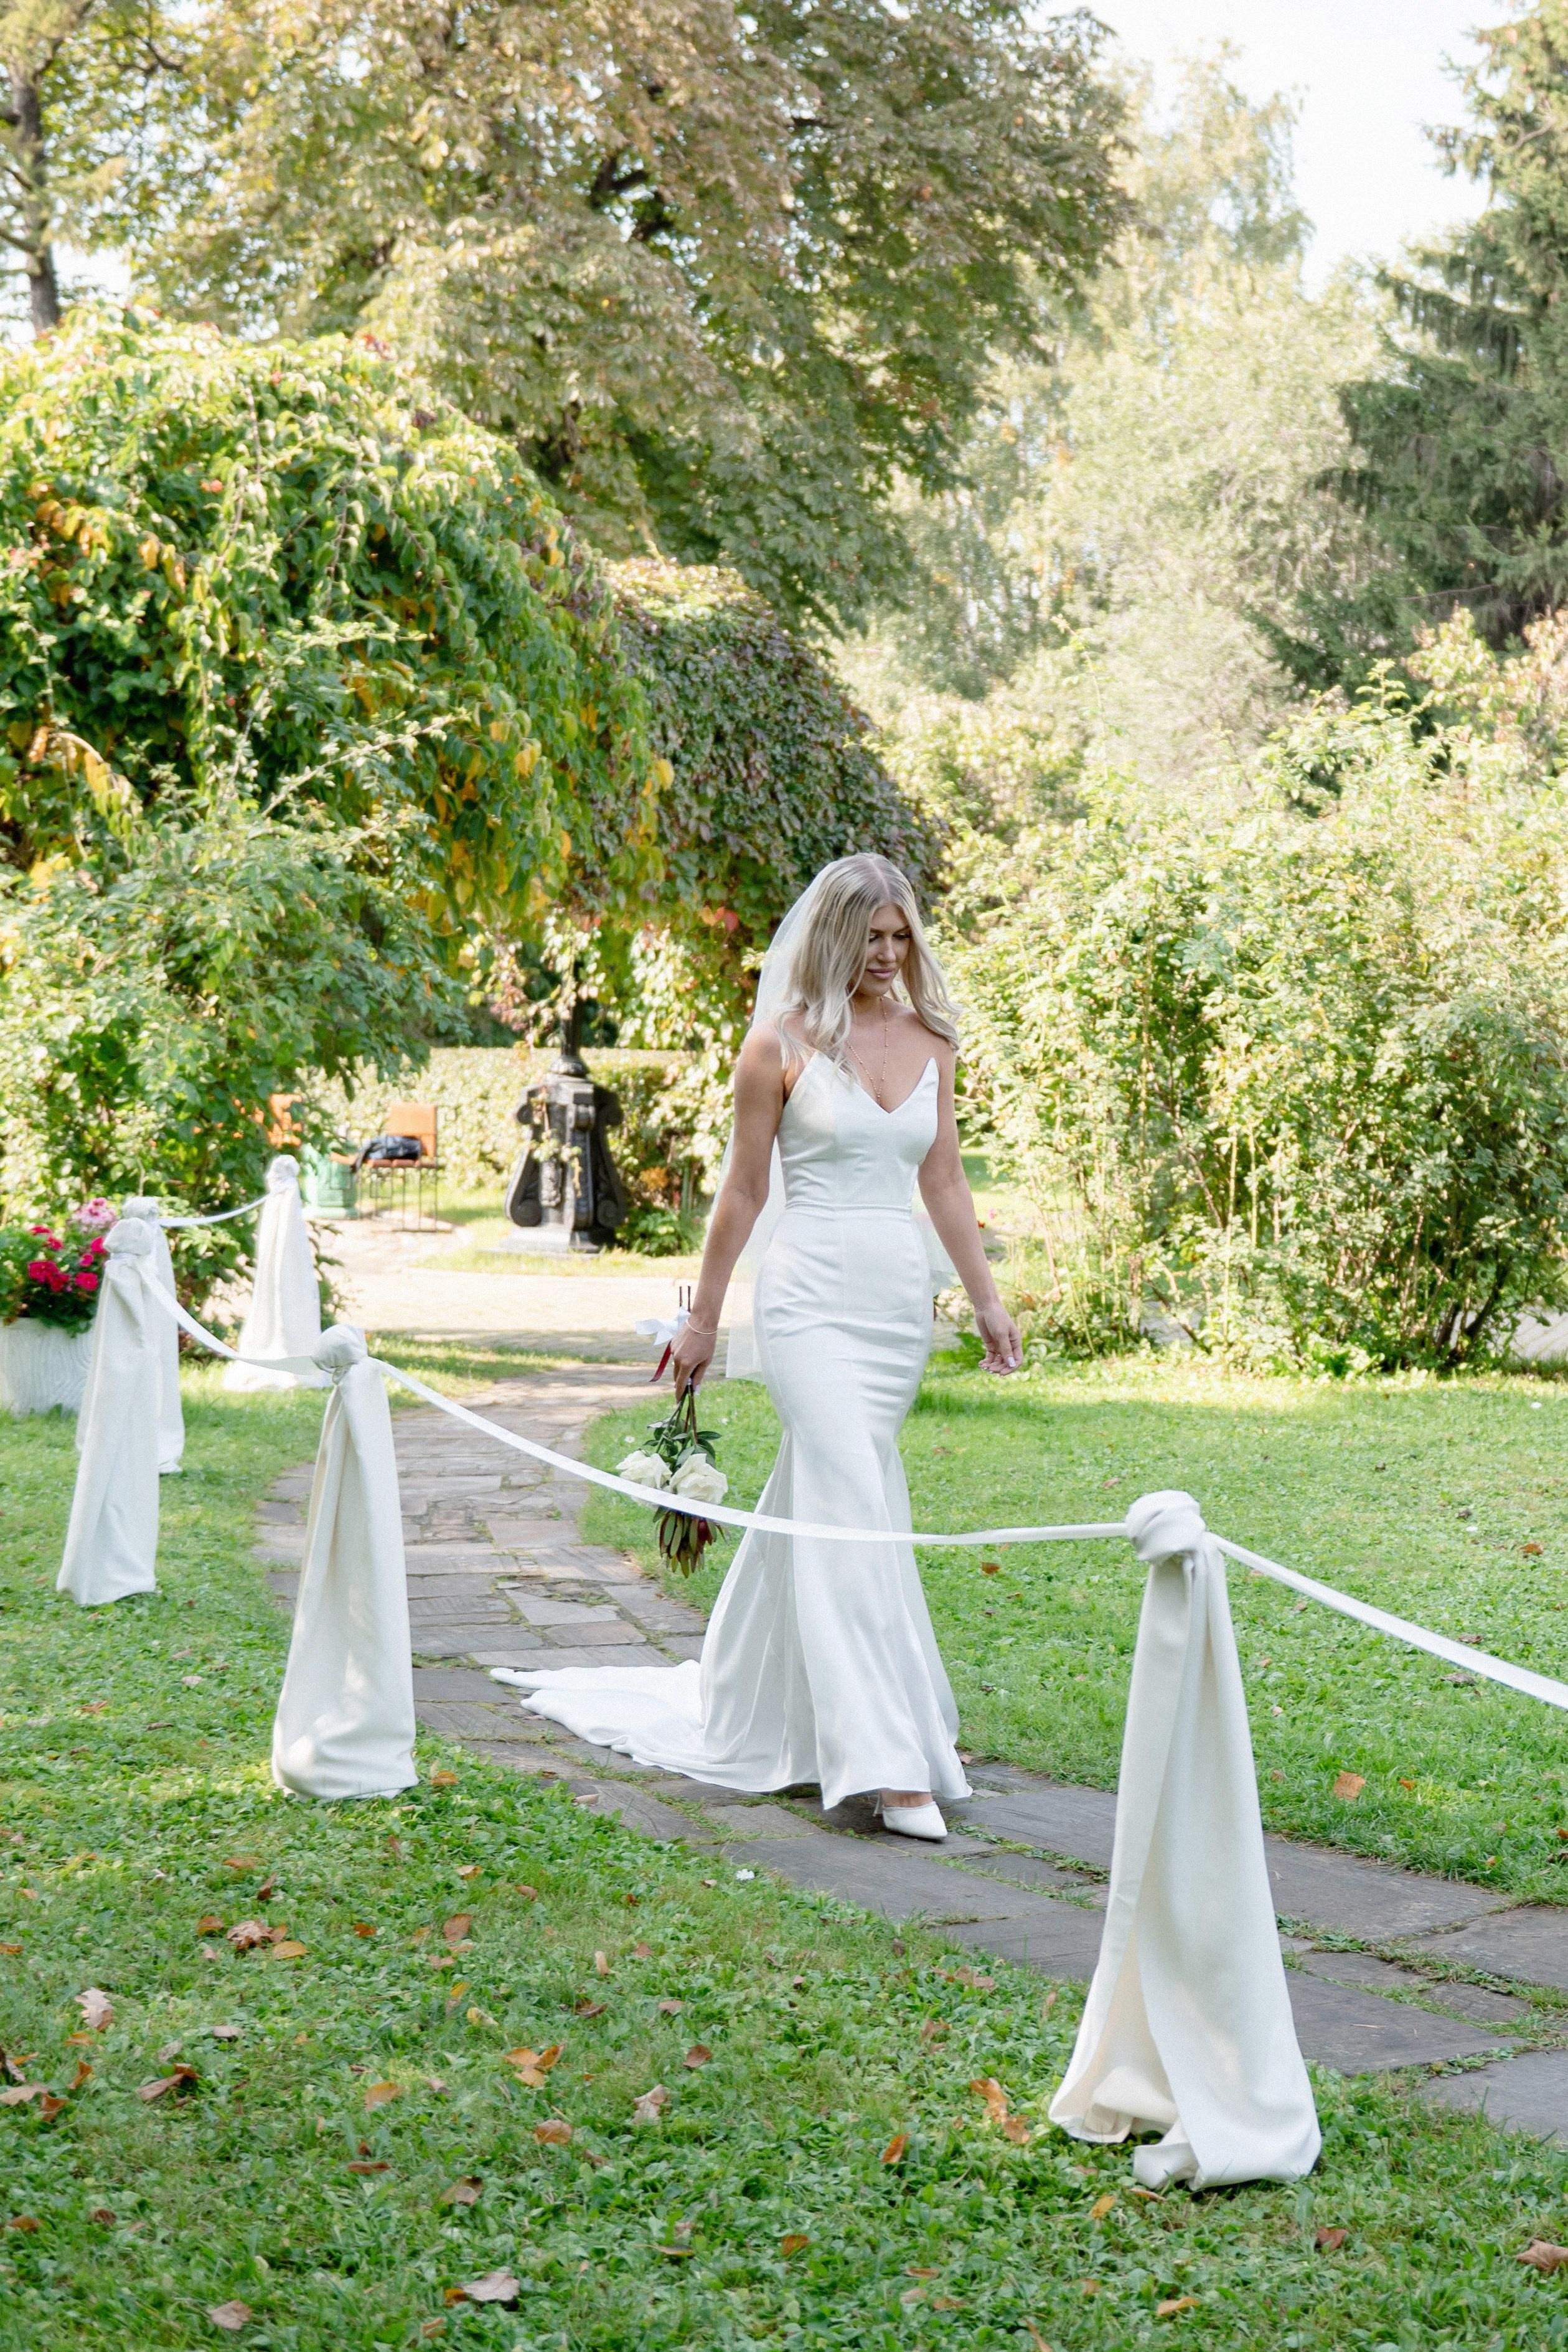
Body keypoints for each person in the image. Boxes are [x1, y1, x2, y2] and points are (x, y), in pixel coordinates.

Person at [500, 854, 1022, 1838]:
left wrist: (986, 1300)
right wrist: (702, 1319)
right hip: (806, 1300)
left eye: (899, 936)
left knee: (845, 1496)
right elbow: (742, 1191)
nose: (886, 954)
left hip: (893, 1307)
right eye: (868, 937)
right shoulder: (776, 1045)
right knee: (851, 1495)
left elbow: (945, 1180)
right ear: (831, 937)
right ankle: (886, 1761)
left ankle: (770, 1700)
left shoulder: (933, 1040)